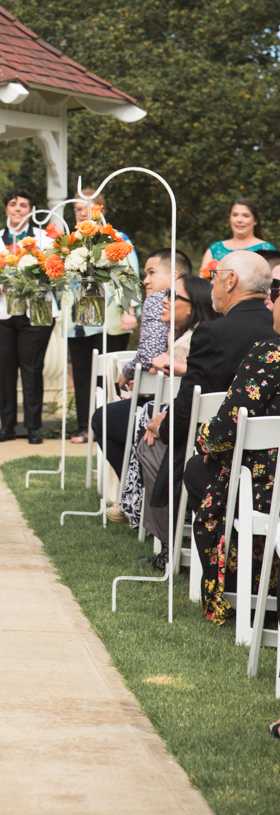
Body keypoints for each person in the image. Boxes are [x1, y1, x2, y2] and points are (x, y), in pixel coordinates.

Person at [145, 251, 277, 558]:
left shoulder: (214, 333)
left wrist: (163, 425)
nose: (212, 283)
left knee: (155, 443)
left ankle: (171, 543)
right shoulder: (274, 327)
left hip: (223, 458)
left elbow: (191, 404)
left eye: (214, 276)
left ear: (231, 280)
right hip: (270, 457)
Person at [189, 289, 280, 623]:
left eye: (277, 295)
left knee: (198, 471)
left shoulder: (270, 354)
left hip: (268, 488)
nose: (270, 302)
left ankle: (249, 586)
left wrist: (207, 444)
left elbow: (225, 428)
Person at [99, 271, 213, 525]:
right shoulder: (187, 335)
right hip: (177, 415)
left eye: (173, 296)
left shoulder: (186, 342)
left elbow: (184, 392)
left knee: (106, 419)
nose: (163, 300)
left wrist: (161, 419)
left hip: (181, 422)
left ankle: (137, 500)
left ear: (194, 305)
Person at [91, 248, 191, 520]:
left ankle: (135, 493)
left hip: (167, 404)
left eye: (151, 272)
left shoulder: (159, 299)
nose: (145, 280)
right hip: (184, 403)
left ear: (174, 276)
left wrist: (127, 370)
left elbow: (148, 356)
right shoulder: (200, 303)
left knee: (102, 420)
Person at [0, 187, 51, 444]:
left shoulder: (45, 239)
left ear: (31, 211)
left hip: (36, 312)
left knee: (32, 369)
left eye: (23, 204)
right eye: (13, 204)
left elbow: (54, 272)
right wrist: (2, 279)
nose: (18, 208)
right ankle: (6, 425)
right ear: (6, 209)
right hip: (0, 313)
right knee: (4, 369)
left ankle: (33, 427)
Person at [67, 189, 135, 442]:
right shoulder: (69, 240)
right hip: (78, 322)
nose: (82, 212)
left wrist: (130, 310)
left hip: (110, 320)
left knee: (108, 376)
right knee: (82, 375)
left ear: (101, 210)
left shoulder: (116, 237)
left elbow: (129, 275)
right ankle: (85, 428)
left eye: (88, 207)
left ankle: (110, 427)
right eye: (77, 209)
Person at [199, 199, 275, 279]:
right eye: (235, 215)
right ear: (230, 218)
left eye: (245, 216)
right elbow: (202, 281)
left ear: (255, 220)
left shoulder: (267, 249)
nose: (239, 220)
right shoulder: (215, 248)